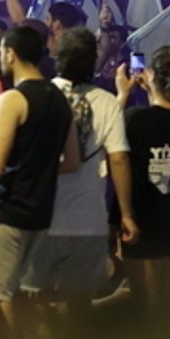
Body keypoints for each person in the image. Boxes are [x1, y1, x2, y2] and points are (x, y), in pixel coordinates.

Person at [0, 24, 80, 339]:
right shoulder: (60, 99)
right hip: (43, 211)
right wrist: (38, 169)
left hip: (9, 209)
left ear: (10, 53)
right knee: (29, 296)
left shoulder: (13, 98)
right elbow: (71, 161)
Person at [24, 28, 135, 322]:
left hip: (43, 214)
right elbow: (119, 160)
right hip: (88, 216)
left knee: (38, 296)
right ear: (92, 60)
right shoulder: (107, 101)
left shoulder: (40, 96)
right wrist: (125, 214)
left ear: (58, 57)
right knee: (80, 300)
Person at [115, 47, 170, 308]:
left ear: (150, 75)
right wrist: (152, 90)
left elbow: (108, 134)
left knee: (145, 301)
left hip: (145, 213)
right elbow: (164, 115)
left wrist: (123, 93)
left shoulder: (136, 118)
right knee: (169, 294)